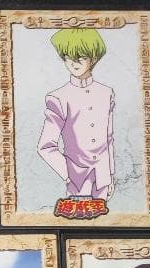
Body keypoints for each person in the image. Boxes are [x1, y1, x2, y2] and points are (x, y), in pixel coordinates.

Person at [36, 28, 115, 199]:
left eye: (82, 57)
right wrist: (68, 174)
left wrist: (109, 175)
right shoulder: (58, 97)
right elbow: (46, 146)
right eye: (68, 56)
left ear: (94, 58)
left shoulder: (106, 93)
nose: (74, 62)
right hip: (77, 181)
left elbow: (108, 138)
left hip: (102, 178)